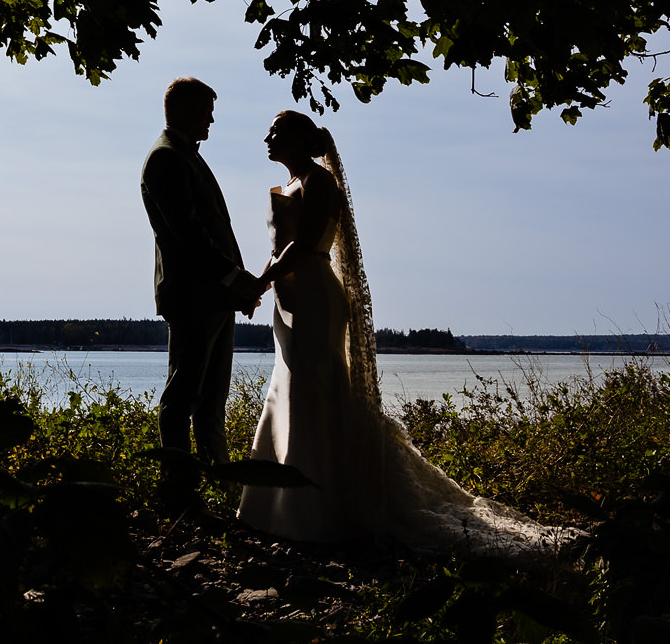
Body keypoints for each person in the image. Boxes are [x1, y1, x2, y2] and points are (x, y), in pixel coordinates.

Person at [236, 110, 566, 555]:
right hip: (289, 301)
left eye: (275, 131)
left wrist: (258, 282)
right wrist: (264, 286)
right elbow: (280, 249)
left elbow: (303, 243)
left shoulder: (320, 182)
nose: (266, 138)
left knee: (315, 391)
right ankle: (278, 506)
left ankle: (324, 510)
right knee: (290, 390)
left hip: (314, 296)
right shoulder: (292, 185)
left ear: (296, 138)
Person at [140, 77, 267, 500]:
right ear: (184, 110)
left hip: (214, 296)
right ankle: (181, 491)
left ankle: (226, 493)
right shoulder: (166, 159)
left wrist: (236, 288)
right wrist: (235, 279)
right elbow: (189, 234)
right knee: (183, 397)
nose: (211, 119)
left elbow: (215, 233)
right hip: (193, 297)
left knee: (212, 403)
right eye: (206, 111)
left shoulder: (186, 157)